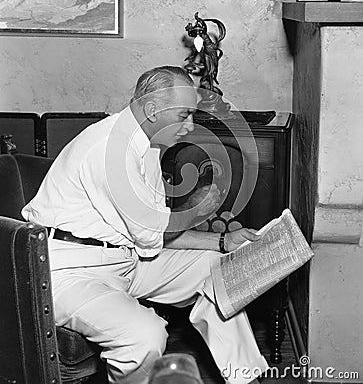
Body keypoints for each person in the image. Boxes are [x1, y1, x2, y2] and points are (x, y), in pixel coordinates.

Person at [22, 66, 268, 384]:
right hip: (70, 274)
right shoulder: (111, 148)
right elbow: (153, 232)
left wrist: (223, 243)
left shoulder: (146, 144)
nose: (190, 126)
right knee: (144, 338)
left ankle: (245, 378)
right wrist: (202, 206)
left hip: (123, 258)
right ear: (152, 110)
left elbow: (151, 236)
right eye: (183, 115)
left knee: (219, 269)